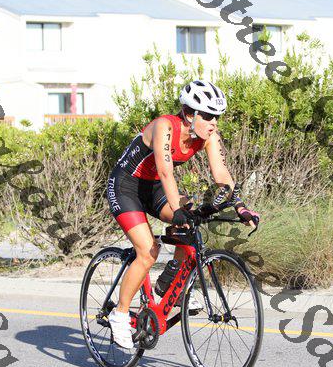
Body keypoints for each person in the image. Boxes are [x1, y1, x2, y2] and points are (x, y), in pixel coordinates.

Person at [106, 80, 259, 348]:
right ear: (190, 114)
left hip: (154, 188)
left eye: (217, 117)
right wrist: (177, 209)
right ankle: (119, 314)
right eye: (208, 116)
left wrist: (240, 206)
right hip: (126, 185)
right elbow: (165, 171)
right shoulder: (164, 127)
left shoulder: (209, 136)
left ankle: (168, 284)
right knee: (148, 251)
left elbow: (221, 174)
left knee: (192, 221)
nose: (213, 123)